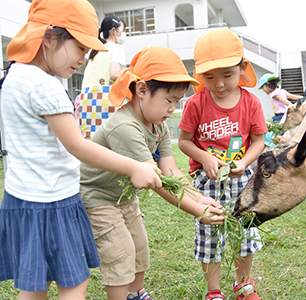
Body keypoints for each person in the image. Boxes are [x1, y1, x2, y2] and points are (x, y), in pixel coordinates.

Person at [0, 0, 163, 299]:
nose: (84, 58)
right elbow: (77, 145)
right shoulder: (46, 86)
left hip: (20, 201)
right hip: (54, 201)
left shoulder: (13, 77)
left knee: (35, 284)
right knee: (74, 283)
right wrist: (134, 166)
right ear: (49, 37)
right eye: (80, 48)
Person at [79, 46, 225, 300]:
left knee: (139, 246)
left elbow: (171, 170)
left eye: (177, 102)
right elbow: (158, 181)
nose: (172, 108)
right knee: (120, 253)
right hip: (99, 197)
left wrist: (199, 197)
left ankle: (135, 294)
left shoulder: (159, 125)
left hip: (124, 197)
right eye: (169, 101)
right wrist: (196, 211)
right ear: (142, 90)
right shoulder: (125, 126)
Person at [178, 29, 267, 300]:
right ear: (199, 75)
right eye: (209, 77)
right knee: (210, 235)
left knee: (245, 233)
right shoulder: (195, 104)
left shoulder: (251, 102)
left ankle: (243, 285)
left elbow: (259, 141)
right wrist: (204, 157)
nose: (218, 84)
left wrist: (245, 163)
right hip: (208, 181)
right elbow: (184, 141)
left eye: (227, 75)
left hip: (242, 179)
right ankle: (213, 291)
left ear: (242, 68)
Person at [76, 15, 127, 139]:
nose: (124, 34)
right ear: (114, 31)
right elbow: (114, 74)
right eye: (123, 30)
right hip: (106, 100)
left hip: (86, 101)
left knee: (91, 142)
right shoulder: (117, 48)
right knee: (111, 142)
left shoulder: (95, 50)